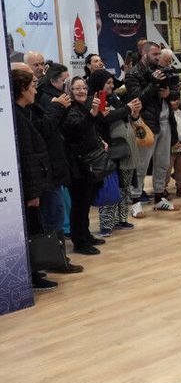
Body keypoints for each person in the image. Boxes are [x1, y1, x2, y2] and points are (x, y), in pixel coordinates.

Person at [12, 67, 58, 290]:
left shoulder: (22, 114)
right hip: (30, 188)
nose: (35, 91)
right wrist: (33, 193)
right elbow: (27, 157)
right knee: (32, 230)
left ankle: (35, 272)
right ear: (22, 89)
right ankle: (32, 273)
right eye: (31, 87)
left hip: (34, 184)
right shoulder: (18, 118)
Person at [87, 69, 142, 237]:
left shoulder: (115, 98)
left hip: (124, 150)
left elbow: (124, 117)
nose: (112, 86)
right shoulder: (96, 99)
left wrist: (134, 113)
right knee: (109, 188)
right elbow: (105, 117)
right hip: (108, 151)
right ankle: (106, 225)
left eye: (112, 82)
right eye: (108, 83)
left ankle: (121, 219)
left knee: (124, 187)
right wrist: (127, 108)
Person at [125, 42, 178, 213]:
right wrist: (154, 83)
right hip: (145, 123)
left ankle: (159, 196)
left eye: (159, 54)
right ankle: (135, 200)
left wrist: (169, 93)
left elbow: (176, 90)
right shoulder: (133, 74)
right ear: (144, 53)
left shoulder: (162, 70)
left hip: (165, 121)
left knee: (163, 162)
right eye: (155, 54)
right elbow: (137, 100)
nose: (158, 57)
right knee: (141, 164)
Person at [62, 77, 109, 255]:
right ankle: (80, 242)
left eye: (83, 87)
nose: (81, 91)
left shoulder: (83, 108)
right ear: (69, 91)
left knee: (86, 202)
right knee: (79, 205)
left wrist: (100, 141)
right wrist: (93, 114)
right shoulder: (69, 109)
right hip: (77, 164)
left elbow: (90, 130)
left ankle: (86, 235)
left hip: (88, 162)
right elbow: (78, 128)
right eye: (77, 88)